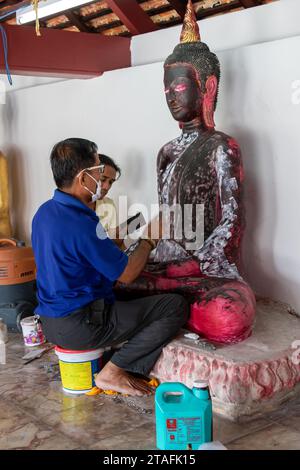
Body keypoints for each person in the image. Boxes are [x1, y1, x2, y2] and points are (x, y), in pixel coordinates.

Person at [117, 0, 256, 345]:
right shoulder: (165, 152)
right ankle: (169, 306)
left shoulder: (223, 146)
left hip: (206, 271)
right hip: (169, 264)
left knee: (227, 311)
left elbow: (233, 219)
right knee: (112, 280)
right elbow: (165, 216)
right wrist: (149, 248)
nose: (171, 98)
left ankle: (170, 308)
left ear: (207, 87)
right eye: (166, 89)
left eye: (178, 87)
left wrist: (199, 260)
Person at [31, 138, 188, 396]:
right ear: (83, 178)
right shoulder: (81, 224)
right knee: (173, 306)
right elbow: (126, 274)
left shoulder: (45, 212)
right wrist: (150, 238)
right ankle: (114, 371)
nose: (102, 179)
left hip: (50, 321)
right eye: (98, 171)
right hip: (80, 325)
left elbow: (76, 256)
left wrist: (115, 237)